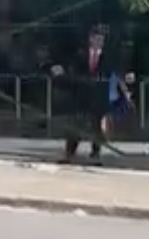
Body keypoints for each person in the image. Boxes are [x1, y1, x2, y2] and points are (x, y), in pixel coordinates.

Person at [51, 25, 131, 165]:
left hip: (98, 96)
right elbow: (73, 70)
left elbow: (115, 73)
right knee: (76, 124)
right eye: (97, 39)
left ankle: (95, 154)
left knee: (97, 127)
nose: (100, 42)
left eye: (102, 40)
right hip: (82, 95)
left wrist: (124, 86)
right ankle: (69, 153)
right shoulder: (81, 54)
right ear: (91, 39)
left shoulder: (108, 57)